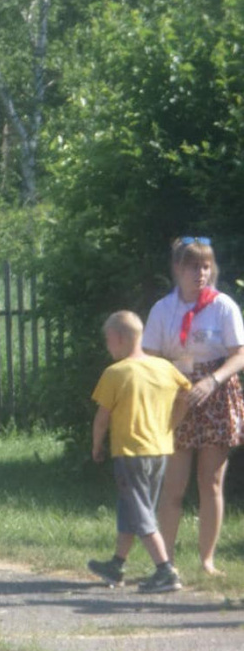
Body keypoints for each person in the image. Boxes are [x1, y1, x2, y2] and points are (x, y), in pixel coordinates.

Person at [142, 236, 244, 575]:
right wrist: (174, 385)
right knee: (174, 484)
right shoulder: (162, 309)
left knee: (211, 482)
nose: (200, 273)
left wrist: (212, 381)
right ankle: (166, 561)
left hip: (215, 392)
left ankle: (207, 560)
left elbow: (238, 354)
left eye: (205, 265)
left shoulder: (223, 306)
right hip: (176, 394)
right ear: (177, 269)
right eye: (192, 266)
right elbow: (150, 357)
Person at [88, 311, 191, 592]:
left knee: (141, 512)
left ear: (119, 338)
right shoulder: (164, 367)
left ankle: (165, 570)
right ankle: (117, 564)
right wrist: (171, 425)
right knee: (130, 508)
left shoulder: (116, 372)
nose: (108, 346)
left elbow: (102, 417)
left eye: (108, 340)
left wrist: (97, 444)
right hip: (159, 449)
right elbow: (186, 395)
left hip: (130, 451)